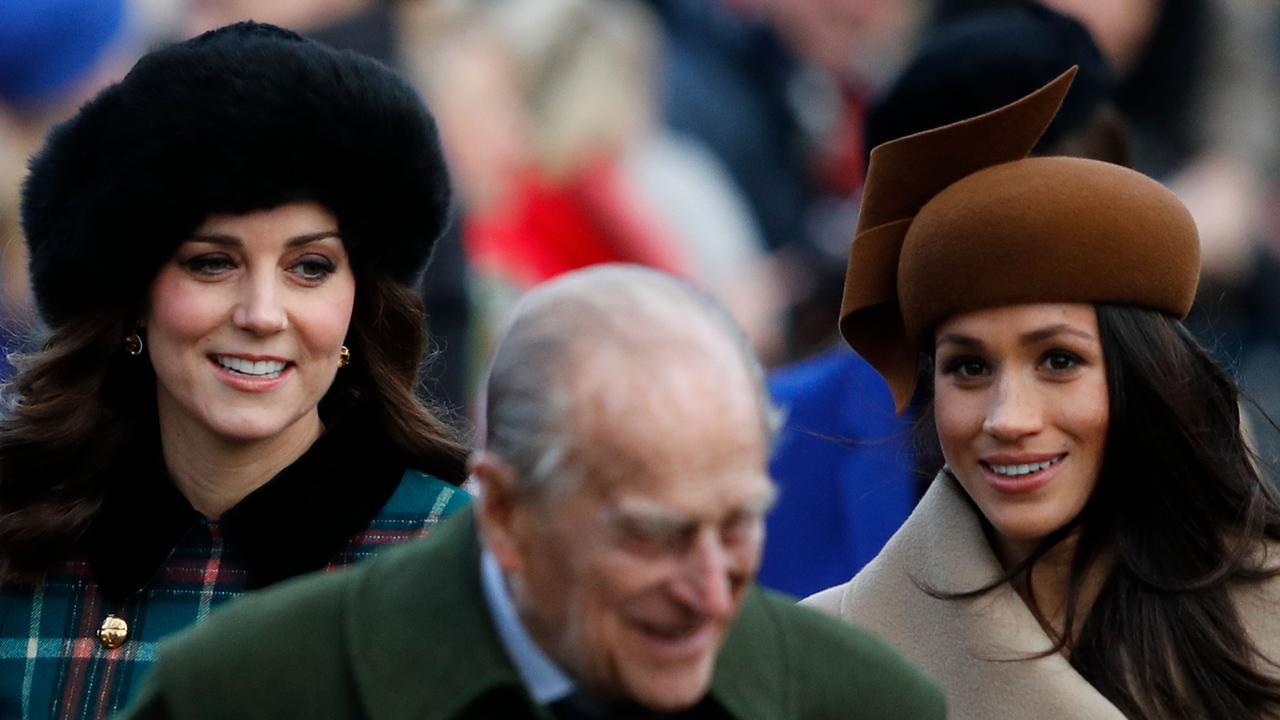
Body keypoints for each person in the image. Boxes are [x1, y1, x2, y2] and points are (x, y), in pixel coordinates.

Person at [118, 265, 946, 720]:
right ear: (506, 512)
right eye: (652, 535)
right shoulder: (243, 693)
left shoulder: (866, 705)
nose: (707, 590)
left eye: (736, 525)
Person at [0, 22, 471, 720]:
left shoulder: (452, 567)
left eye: (309, 268)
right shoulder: (22, 534)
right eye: (211, 262)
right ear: (133, 295)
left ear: (358, 303)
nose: (261, 312)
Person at [806, 69, 1280, 719]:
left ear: (1143, 378)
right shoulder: (827, 668)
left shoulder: (1266, 614)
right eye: (968, 368)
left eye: (1059, 360)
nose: (1009, 418)